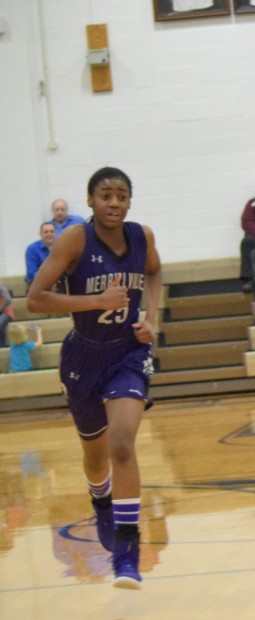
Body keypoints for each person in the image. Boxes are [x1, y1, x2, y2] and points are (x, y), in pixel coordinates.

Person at [26, 166, 163, 587]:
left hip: (128, 353)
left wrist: (151, 321)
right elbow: (35, 299)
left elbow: (155, 274)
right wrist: (95, 300)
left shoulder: (143, 237)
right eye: (106, 195)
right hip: (83, 357)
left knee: (122, 443)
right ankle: (101, 500)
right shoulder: (75, 239)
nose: (114, 203)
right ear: (90, 200)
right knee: (95, 451)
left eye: (122, 195)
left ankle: (127, 552)